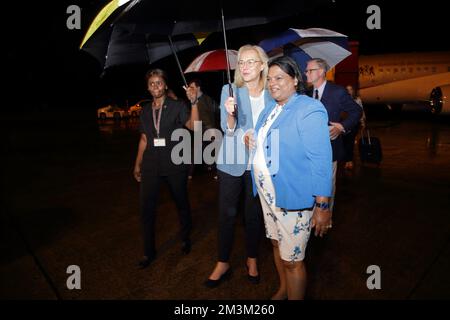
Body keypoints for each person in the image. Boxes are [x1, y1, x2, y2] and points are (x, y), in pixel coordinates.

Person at [251, 56, 333, 300]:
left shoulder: (309, 108)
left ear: (295, 80)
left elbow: (321, 160)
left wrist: (323, 205)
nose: (272, 84)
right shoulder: (270, 109)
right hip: (268, 195)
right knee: (276, 244)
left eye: (279, 78)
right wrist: (251, 141)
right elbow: (267, 144)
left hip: (292, 196)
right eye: (270, 79)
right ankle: (284, 289)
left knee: (293, 259)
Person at [204, 44, 272, 288]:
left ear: (262, 65)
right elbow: (227, 127)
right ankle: (222, 262)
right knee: (226, 214)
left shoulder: (271, 93)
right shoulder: (229, 90)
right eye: (241, 62)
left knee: (253, 215)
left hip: (258, 165)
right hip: (231, 163)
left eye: (250, 61)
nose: (244, 66)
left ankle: (252, 259)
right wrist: (231, 113)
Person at [133, 68, 199, 269]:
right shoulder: (145, 111)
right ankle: (148, 252)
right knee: (146, 210)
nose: (155, 86)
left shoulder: (177, 106)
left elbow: (194, 127)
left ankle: (185, 238)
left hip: (174, 163)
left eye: (158, 82)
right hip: (151, 165)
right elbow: (144, 138)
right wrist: (137, 164)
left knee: (181, 203)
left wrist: (194, 103)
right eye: (151, 83)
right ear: (148, 87)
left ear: (165, 85)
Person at [305, 58, 362, 211]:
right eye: (306, 70)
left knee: (327, 187)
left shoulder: (337, 91)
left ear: (322, 72)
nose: (306, 74)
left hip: (330, 149)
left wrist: (342, 127)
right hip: (308, 150)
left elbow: (356, 111)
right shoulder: (306, 93)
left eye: (310, 70)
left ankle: (325, 218)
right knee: (310, 186)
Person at [186, 78, 219, 179]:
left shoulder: (207, 99)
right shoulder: (194, 99)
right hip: (199, 129)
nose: (190, 89)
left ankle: (218, 172)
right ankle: (190, 173)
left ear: (198, 88)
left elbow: (216, 111)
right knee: (196, 151)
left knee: (214, 152)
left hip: (208, 130)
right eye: (189, 87)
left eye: (192, 87)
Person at [343, 85, 366, 169]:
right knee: (345, 142)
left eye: (351, 89)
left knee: (350, 141)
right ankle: (346, 159)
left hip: (354, 124)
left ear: (353, 90)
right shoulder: (343, 99)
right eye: (347, 89)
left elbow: (361, 111)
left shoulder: (357, 99)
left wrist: (363, 121)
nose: (349, 91)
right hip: (345, 123)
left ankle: (349, 161)